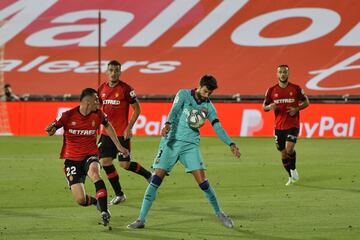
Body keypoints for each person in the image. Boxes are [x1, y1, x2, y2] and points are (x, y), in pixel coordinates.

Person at [127, 75, 241, 229]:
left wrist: (231, 143)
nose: (207, 95)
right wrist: (167, 124)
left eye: (210, 93)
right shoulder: (183, 94)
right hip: (171, 143)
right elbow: (174, 110)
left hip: (190, 146)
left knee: (203, 182)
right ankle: (141, 219)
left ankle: (220, 213)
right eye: (206, 91)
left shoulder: (209, 107)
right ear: (199, 85)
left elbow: (217, 127)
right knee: (156, 179)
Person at [45, 88, 129, 227]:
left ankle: (104, 212)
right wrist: (51, 129)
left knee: (95, 174)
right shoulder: (67, 115)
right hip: (72, 159)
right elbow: (53, 127)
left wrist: (119, 146)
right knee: (81, 200)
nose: (99, 102)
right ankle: (96, 202)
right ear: (88, 102)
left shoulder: (98, 114)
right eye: (96, 99)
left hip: (91, 155)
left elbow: (108, 126)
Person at [98, 60, 152, 205]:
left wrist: (129, 127)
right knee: (105, 161)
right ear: (106, 72)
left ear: (120, 72)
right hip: (106, 134)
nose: (113, 73)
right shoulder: (101, 89)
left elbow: (137, 109)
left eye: (116, 70)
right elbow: (98, 109)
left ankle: (148, 175)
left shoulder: (126, 89)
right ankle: (119, 194)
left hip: (122, 133)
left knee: (125, 165)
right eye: (111, 70)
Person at [263, 64, 309, 186]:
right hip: (279, 127)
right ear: (277, 74)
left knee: (289, 149)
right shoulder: (271, 90)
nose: (283, 74)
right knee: (283, 153)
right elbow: (264, 107)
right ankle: (290, 176)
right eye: (280, 72)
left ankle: (293, 169)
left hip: (293, 125)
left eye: (285, 72)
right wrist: (269, 107)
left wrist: (297, 109)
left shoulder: (295, 88)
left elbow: (306, 102)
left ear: (288, 74)